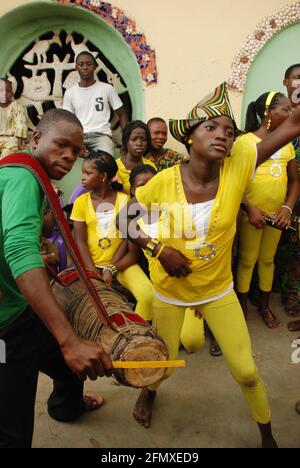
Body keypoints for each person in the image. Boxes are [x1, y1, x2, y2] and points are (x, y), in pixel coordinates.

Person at [117, 81, 300, 447]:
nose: (222, 136)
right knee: (161, 369)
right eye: (211, 128)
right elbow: (126, 222)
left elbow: (293, 124)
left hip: (217, 291)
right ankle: (150, 392)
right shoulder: (162, 183)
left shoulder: (238, 168)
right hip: (169, 293)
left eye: (229, 132)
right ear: (189, 138)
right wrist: (158, 249)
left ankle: (267, 434)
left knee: (247, 371)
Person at [0, 108, 112, 448]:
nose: (69, 156)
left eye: (76, 152)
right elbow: (19, 249)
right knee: (13, 430)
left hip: (22, 307)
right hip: (5, 326)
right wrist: (69, 340)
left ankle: (67, 406)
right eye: (61, 145)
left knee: (70, 369)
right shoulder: (22, 177)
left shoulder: (23, 174)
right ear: (36, 139)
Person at [235, 91, 299, 329]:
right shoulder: (245, 142)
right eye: (285, 110)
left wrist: (287, 208)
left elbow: (294, 180)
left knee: (267, 259)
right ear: (268, 113)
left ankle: (264, 305)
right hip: (249, 215)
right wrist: (249, 207)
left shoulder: (287, 145)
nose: (290, 113)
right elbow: (235, 181)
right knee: (247, 259)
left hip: (276, 216)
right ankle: (241, 306)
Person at [70, 150, 154, 321]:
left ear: (103, 176)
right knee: (90, 304)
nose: (82, 177)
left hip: (122, 264)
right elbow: (80, 241)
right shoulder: (81, 202)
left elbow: (127, 240)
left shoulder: (125, 200)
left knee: (147, 294)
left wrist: (112, 267)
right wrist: (93, 272)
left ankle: (136, 334)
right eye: (82, 173)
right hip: (91, 264)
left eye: (88, 173)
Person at [63, 51, 127, 156]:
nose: (85, 67)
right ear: (76, 67)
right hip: (79, 137)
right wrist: (76, 141)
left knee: (106, 161)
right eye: (81, 64)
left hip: (102, 136)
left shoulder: (107, 89)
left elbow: (122, 113)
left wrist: (126, 140)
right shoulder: (70, 93)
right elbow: (67, 122)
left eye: (89, 64)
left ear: (95, 66)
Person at [116, 120, 156, 195]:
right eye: (134, 139)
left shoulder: (150, 166)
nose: (139, 143)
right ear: (126, 142)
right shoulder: (115, 167)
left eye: (143, 140)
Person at [0, 78, 27, 158]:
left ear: (12, 93)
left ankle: (2, 166)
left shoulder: (16, 107)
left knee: (10, 149)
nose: (4, 94)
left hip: (11, 138)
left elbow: (20, 124)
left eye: (7, 91)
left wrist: (20, 143)